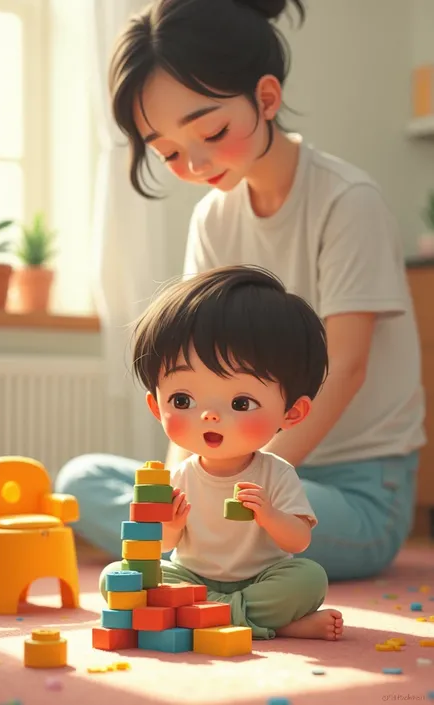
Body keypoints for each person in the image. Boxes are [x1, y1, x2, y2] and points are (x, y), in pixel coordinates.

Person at [55, 0, 425, 581]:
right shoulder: (212, 220)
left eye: (212, 132)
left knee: (235, 519)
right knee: (80, 480)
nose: (196, 163)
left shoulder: (346, 202)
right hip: (232, 468)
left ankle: (202, 560)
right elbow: (189, 373)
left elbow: (346, 369)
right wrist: (184, 488)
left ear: (267, 98)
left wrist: (242, 482)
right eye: (170, 152)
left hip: (354, 489)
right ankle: (211, 559)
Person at [99, 265, 344, 640]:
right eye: (183, 399)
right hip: (190, 577)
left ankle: (201, 615)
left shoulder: (274, 473)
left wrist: (269, 515)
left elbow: (298, 541)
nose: (210, 415)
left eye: (241, 402)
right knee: (117, 577)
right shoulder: (178, 475)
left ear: (292, 413)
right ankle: (264, 621)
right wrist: (172, 526)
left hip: (262, 577)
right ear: (156, 406)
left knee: (309, 579)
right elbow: (163, 547)